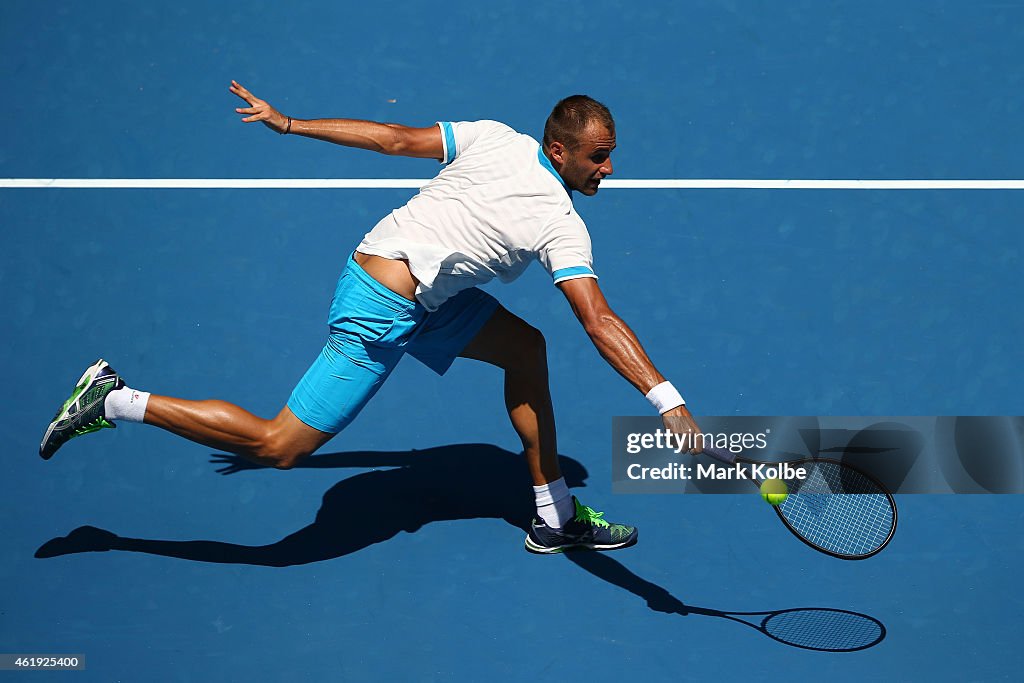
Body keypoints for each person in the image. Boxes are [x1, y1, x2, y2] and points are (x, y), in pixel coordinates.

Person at [39, 81, 703, 554]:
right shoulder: (561, 223)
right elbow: (597, 319)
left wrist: (293, 123)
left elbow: (393, 139)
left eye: (610, 154)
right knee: (279, 447)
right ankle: (116, 398)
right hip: (383, 307)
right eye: (597, 156)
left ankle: (554, 514)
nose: (609, 169)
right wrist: (667, 401)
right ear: (558, 150)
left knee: (525, 347)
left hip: (419, 288)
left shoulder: (496, 137)